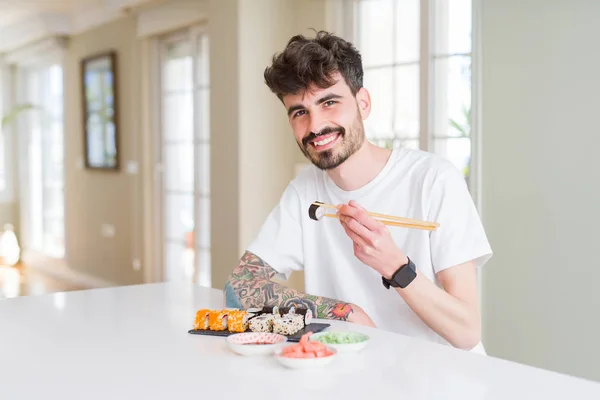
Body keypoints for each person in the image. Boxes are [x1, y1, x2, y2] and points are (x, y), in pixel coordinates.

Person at [223, 31, 492, 351]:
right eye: (299, 112)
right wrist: (344, 312)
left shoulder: (433, 179)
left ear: (363, 103)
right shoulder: (304, 192)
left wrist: (396, 267)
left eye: (329, 102)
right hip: (359, 373)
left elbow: (466, 332)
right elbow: (238, 287)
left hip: (441, 381)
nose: (315, 126)